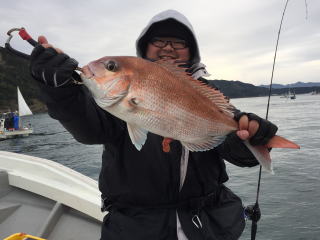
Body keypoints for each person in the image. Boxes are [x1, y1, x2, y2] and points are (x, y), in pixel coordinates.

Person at [30, 9, 278, 240]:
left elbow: (236, 152)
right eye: (158, 40)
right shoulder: (111, 102)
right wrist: (58, 90)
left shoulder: (208, 94)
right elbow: (88, 129)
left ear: (191, 51)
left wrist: (254, 138)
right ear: (144, 47)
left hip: (209, 226)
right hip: (135, 228)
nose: (168, 47)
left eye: (179, 42)